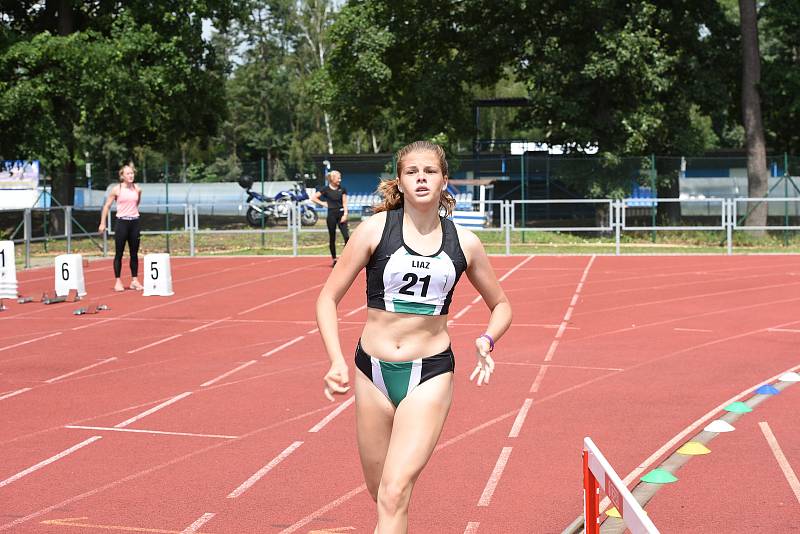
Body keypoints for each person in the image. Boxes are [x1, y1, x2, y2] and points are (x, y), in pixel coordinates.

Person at [315, 141, 512, 533]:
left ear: (444, 181)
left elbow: (502, 304)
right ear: (400, 182)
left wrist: (487, 340)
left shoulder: (465, 243)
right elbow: (327, 297)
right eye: (412, 171)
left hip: (430, 373)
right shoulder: (375, 230)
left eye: (430, 171)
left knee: (394, 491)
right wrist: (336, 359)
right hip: (372, 372)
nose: (421, 178)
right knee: (382, 493)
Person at [99, 163, 143, 292]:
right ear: (122, 176)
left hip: (134, 222)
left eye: (132, 173)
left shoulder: (137, 189)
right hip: (122, 223)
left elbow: (137, 202)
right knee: (119, 253)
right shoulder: (116, 189)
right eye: (128, 173)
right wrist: (102, 223)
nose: (131, 175)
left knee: (134, 253)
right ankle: (118, 281)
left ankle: (134, 280)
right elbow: (107, 206)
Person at [311, 170, 349, 266]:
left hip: (341, 214)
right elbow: (314, 198)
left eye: (340, 178)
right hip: (331, 215)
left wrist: (345, 214)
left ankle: (345, 258)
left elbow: (344, 203)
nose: (340, 180)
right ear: (332, 179)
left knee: (347, 237)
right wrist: (323, 203)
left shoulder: (342, 189)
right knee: (332, 238)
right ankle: (334, 259)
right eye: (338, 178)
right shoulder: (326, 189)